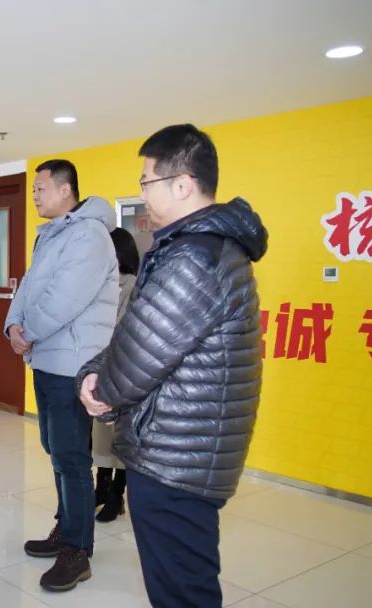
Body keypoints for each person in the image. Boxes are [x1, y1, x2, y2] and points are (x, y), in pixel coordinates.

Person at [77, 123, 268, 608]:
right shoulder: (199, 247)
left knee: (182, 591)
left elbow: (141, 353)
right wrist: (98, 369)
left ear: (182, 184)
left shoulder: (195, 256)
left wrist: (99, 390)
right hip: (183, 448)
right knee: (182, 583)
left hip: (176, 457)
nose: (142, 193)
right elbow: (137, 331)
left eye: (147, 181)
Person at [4, 159, 118, 592]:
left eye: (41, 188)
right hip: (47, 359)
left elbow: (65, 298)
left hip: (74, 366)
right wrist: (13, 326)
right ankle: (66, 526)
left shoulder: (89, 235)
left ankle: (78, 549)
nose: (35, 195)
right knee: (56, 451)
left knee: (71, 458)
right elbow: (29, 287)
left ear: (66, 190)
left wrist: (28, 332)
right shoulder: (51, 234)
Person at [92, 227, 140, 522]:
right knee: (100, 435)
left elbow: (120, 326)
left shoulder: (133, 284)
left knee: (119, 435)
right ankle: (101, 487)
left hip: (123, 371)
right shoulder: (101, 283)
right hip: (99, 369)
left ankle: (116, 496)